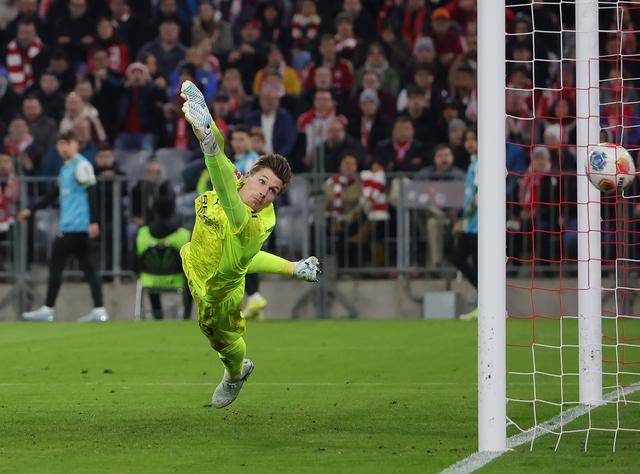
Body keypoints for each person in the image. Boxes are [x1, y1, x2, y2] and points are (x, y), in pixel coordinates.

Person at [179, 80, 321, 408]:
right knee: (215, 333)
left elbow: (223, 183)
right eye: (262, 182)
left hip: (220, 291)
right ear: (250, 173)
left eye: (273, 191)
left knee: (222, 342)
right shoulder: (236, 177)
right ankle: (234, 368)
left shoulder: (255, 223)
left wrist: (208, 144)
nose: (264, 193)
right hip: (197, 265)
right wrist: (209, 126)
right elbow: (222, 160)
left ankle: (235, 372)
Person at [18, 129, 108, 323]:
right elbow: (52, 195)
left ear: (76, 144)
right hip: (72, 226)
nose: (63, 148)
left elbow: (92, 192)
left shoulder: (81, 165)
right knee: (88, 268)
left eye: (67, 143)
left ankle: (48, 309)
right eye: (60, 144)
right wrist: (31, 210)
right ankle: (99, 310)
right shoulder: (66, 168)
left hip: (75, 226)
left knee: (56, 265)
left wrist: (94, 221)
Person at [135, 183, 192, 320]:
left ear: (154, 211)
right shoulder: (183, 236)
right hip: (177, 280)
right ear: (173, 210)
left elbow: (133, 263)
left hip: (149, 280)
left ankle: (157, 315)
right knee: (191, 276)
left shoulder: (142, 234)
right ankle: (186, 315)